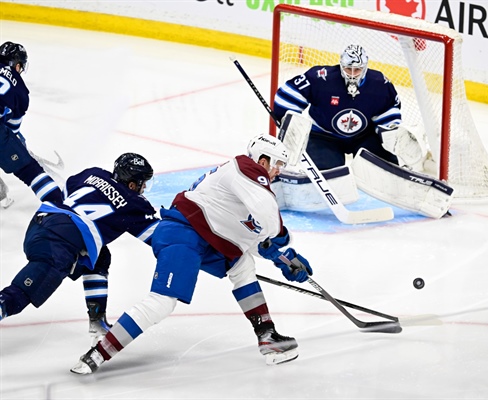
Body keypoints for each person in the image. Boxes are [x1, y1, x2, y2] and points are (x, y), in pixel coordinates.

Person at [70, 134, 313, 374]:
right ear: (263, 160)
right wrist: (282, 242)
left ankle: (267, 336)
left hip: (205, 237)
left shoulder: (245, 188)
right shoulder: (245, 167)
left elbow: (255, 241)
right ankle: (98, 353)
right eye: (278, 164)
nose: (279, 171)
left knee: (242, 265)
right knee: (162, 303)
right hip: (183, 234)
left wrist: (283, 259)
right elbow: (269, 220)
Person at [0, 153, 160, 345]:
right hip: (60, 242)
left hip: (41, 223)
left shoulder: (94, 174)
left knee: (98, 257)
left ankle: (98, 322)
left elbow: (65, 194)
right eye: (143, 183)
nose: (144, 188)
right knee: (17, 296)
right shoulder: (135, 204)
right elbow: (160, 237)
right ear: (132, 184)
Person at [273, 44, 403, 170]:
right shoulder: (322, 78)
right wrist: (288, 124)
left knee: (382, 169)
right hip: (323, 136)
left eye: (357, 69)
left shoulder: (379, 84)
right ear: (341, 65)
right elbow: (288, 95)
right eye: (348, 69)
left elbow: (389, 109)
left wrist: (390, 132)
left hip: (363, 136)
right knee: (327, 175)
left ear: (365, 68)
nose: (352, 74)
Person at [0, 41, 64, 208]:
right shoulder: (20, 90)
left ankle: (1, 195)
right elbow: (12, 130)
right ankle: (61, 206)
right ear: (17, 64)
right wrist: (19, 147)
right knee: (30, 171)